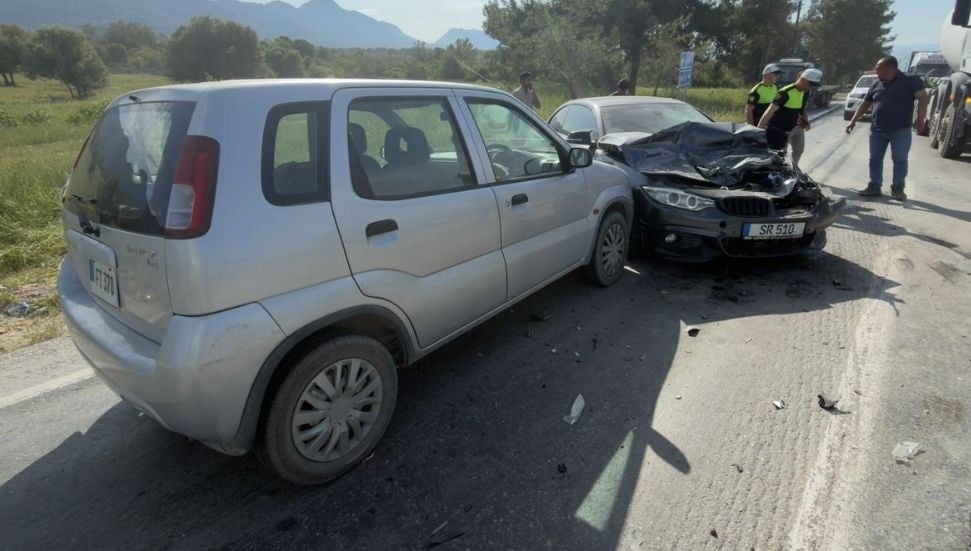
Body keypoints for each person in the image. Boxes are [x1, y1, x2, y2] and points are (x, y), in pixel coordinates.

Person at [846, 56, 929, 201]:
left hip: (900, 130)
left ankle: (898, 189)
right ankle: (874, 186)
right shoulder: (876, 83)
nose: (876, 72)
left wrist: (920, 119)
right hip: (877, 129)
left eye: (878, 69)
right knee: (875, 159)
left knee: (900, 159)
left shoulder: (910, 81)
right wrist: (853, 120)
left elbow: (923, 97)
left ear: (890, 68)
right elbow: (865, 103)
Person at [757, 68, 822, 170]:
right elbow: (769, 112)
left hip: (796, 125)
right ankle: (780, 174)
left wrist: (806, 122)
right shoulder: (784, 92)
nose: (811, 87)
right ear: (803, 80)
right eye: (810, 84)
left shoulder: (806, 92)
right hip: (779, 130)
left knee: (799, 149)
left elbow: (802, 108)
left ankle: (793, 170)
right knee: (779, 155)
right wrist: (758, 131)